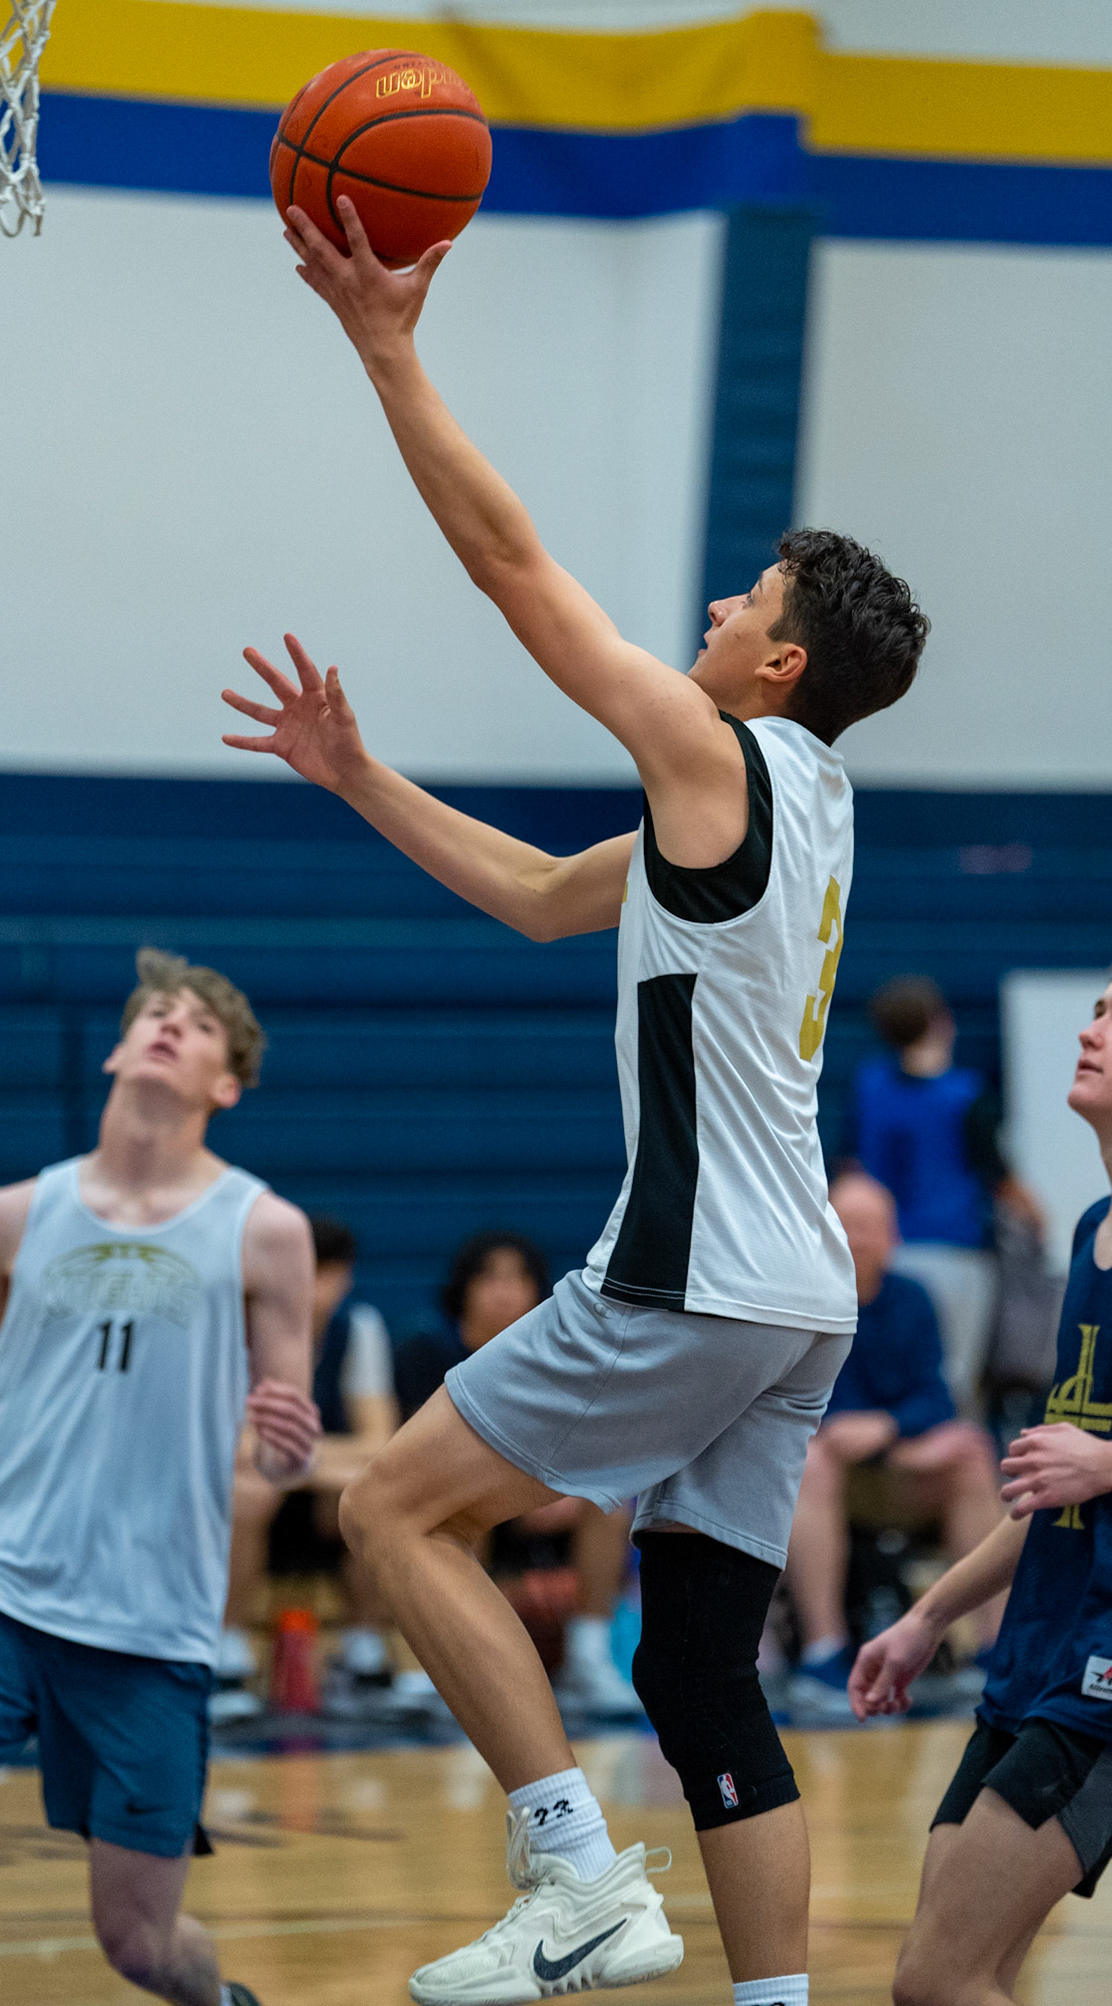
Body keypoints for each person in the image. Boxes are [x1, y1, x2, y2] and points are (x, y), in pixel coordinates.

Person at [222, 194, 927, 2006]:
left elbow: (514, 569)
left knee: (390, 1515)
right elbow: (548, 897)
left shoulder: (717, 753)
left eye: (746, 598)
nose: (715, 608)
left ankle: (572, 1871)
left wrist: (387, 347)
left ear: (781, 665)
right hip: (797, 1302)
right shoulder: (805, 806)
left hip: (697, 1271)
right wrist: (362, 777)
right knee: (696, 1674)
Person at [0, 948, 319, 2006]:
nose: (169, 1026)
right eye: (154, 1014)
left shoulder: (267, 1232)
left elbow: (283, 1449)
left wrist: (289, 1445)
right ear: (116, 1052)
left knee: (140, 1946)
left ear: (228, 1085)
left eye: (198, 1024)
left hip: (148, 1623)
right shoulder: (13, 1216)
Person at [850, 976, 1112, 2006]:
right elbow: (1049, 1498)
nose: (1092, 1029)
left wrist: (1109, 1462)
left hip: (1102, 1670)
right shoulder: (1091, 1230)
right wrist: (927, 1617)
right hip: (1036, 1647)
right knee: (956, 1977)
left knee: (939, 1978)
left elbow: (1089, 1470)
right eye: (1097, 1009)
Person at [785, 1171, 1005, 1716]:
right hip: (826, 1477)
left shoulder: (913, 1298)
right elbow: (796, 1408)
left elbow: (936, 1398)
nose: (860, 1238)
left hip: (898, 1472)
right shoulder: (799, 1301)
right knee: (812, 1461)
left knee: (971, 1450)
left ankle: (995, 1652)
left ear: (894, 1236)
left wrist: (886, 1429)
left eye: (872, 1226)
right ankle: (824, 1653)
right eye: (848, 1224)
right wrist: (865, 1433)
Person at [396, 1230, 643, 1718]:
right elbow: (415, 1458)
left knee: (607, 1503)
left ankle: (588, 1657)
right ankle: (456, 1663)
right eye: (489, 1277)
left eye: (518, 1278)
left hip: (541, 1502)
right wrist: (509, 1492)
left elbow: (592, 1445)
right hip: (465, 1500)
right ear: (463, 1289)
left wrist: (561, 1492)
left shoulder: (565, 1355)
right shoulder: (425, 1352)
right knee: (462, 1505)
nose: (505, 1291)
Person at [219, 1216, 400, 1714]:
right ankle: (225, 1651)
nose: (310, 1285)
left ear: (343, 1278)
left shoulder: (358, 1330)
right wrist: (299, 1460)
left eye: (324, 1272)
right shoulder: (234, 1329)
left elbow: (378, 1441)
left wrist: (296, 1460)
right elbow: (231, 1445)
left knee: (378, 1494)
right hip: (247, 1491)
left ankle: (362, 1648)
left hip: (312, 1488)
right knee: (250, 1491)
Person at [853, 974, 1041, 1414]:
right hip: (955, 1255)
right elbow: (999, 1178)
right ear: (940, 1023)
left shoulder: (868, 1085)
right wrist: (1040, 1220)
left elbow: (852, 1166)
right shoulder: (966, 1094)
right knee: (953, 1382)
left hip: (884, 1256)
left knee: (881, 1381)